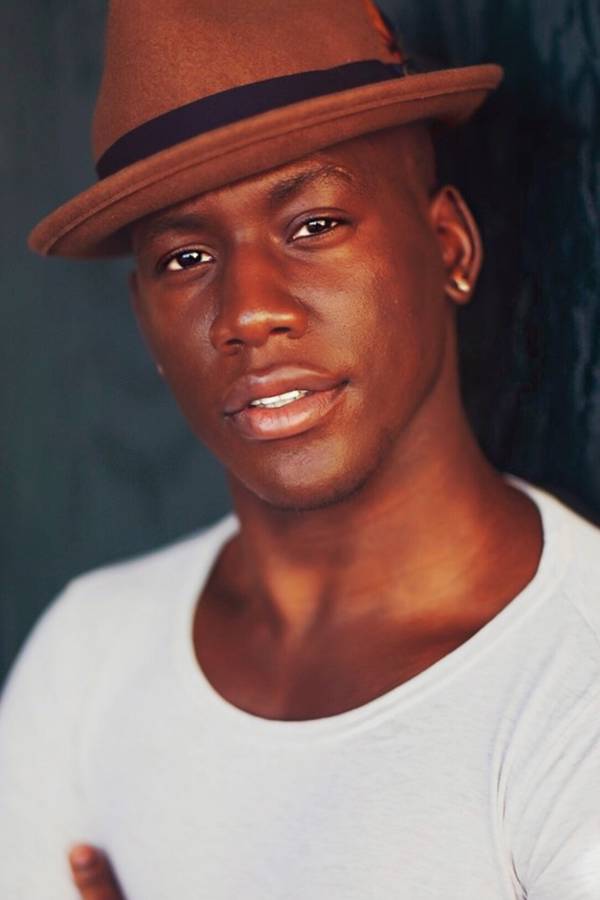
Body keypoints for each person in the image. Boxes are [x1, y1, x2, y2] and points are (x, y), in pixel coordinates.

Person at [2, 1, 600, 898]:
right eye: (185, 259)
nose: (247, 312)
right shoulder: (88, 658)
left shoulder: (574, 686)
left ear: (449, 246)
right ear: (146, 326)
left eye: (313, 226)